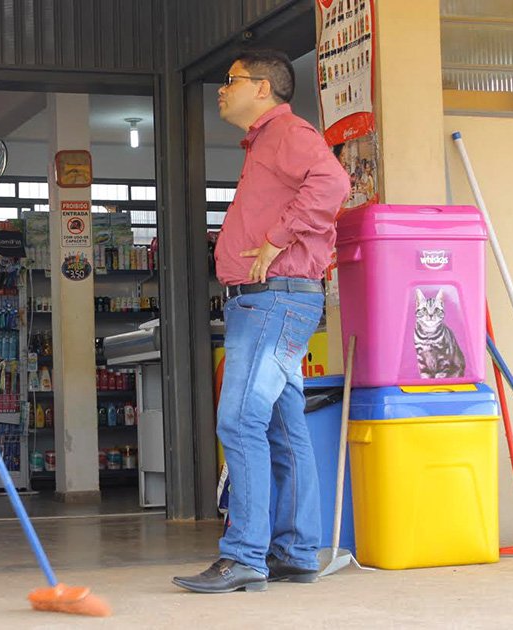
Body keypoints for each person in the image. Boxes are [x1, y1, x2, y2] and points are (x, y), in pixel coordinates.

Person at [173, 49, 350, 594]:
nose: (221, 90)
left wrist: (276, 238)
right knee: (282, 426)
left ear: (263, 88)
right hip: (275, 301)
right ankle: (295, 552)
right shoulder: (264, 143)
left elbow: (333, 185)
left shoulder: (287, 133)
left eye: (230, 81)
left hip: (274, 301)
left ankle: (246, 555)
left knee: (240, 421)